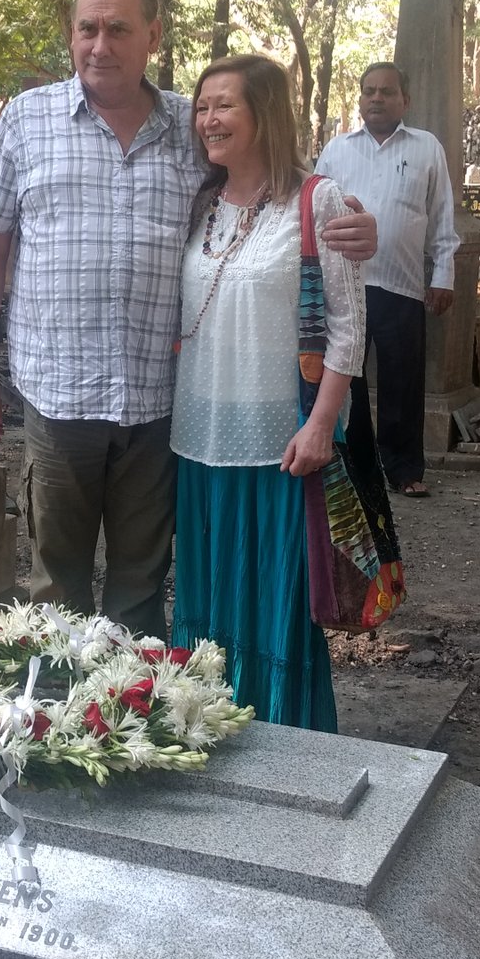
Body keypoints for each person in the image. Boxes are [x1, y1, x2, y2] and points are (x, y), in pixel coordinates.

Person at [0, 0, 375, 638]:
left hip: (161, 407)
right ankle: (57, 720)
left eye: (118, 29)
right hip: (59, 396)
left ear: (151, 35)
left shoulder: (195, 124)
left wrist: (354, 222)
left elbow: (273, 186)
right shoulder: (27, 120)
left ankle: (130, 722)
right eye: (87, 29)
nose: (101, 45)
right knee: (54, 581)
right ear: (71, 35)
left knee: (140, 585)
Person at [170, 54, 364, 731]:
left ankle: (285, 737)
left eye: (224, 104)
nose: (208, 119)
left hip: (281, 439)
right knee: (209, 594)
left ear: (265, 114)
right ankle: (203, 727)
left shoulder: (317, 201)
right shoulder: (197, 202)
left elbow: (346, 327)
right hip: (197, 438)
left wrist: (321, 424)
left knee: (274, 596)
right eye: (201, 106)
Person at [314, 63, 456, 499]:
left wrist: (444, 273)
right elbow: (313, 213)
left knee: (402, 380)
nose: (376, 98)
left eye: (387, 92)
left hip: (402, 284)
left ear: (404, 100)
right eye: (369, 91)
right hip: (343, 287)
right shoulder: (336, 150)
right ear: (359, 99)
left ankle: (403, 467)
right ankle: (355, 467)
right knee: (345, 378)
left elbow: (441, 215)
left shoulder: (427, 148)